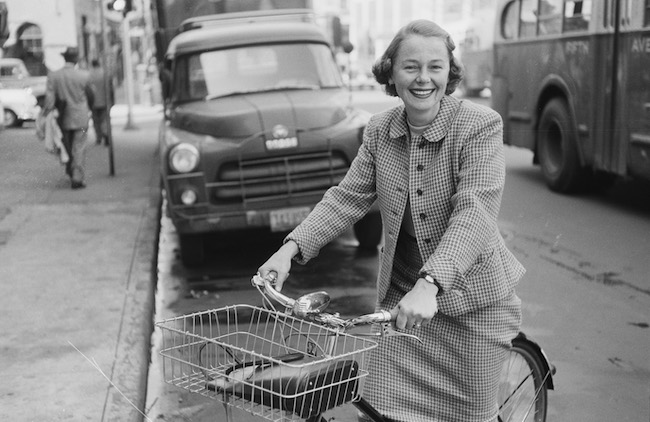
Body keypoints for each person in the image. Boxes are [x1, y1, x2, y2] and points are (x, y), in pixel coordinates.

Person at [257, 20, 525, 422]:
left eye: (435, 67)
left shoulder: (479, 125)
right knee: (381, 410)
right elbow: (347, 198)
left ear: (449, 73)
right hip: (403, 301)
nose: (423, 79)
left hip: (473, 303)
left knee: (470, 416)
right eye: (411, 67)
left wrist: (430, 284)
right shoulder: (381, 130)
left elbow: (475, 213)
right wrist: (288, 250)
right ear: (391, 73)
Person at [43, 47, 94, 189]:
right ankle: (77, 178)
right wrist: (89, 109)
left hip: (63, 119)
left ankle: (70, 171)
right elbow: (91, 96)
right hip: (82, 120)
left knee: (66, 145)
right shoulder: (84, 76)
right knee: (80, 146)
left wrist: (47, 115)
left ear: (64, 58)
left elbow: (50, 100)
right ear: (76, 59)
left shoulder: (54, 76)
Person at [88, 58, 114, 146]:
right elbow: (110, 89)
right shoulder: (104, 73)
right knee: (105, 120)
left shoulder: (89, 75)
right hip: (104, 101)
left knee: (96, 121)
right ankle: (106, 135)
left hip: (93, 102)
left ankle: (98, 137)